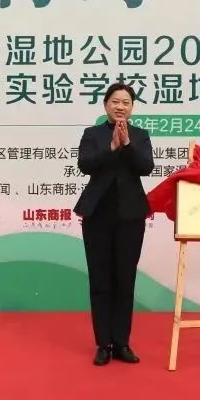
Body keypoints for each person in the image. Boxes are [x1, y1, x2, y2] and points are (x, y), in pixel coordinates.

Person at [74, 83, 154, 365]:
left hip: (130, 216)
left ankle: (121, 342)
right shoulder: (92, 134)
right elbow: (85, 164)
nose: (120, 106)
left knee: (125, 279)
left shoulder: (140, 136)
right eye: (115, 101)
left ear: (132, 108)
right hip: (97, 215)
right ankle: (103, 344)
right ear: (106, 104)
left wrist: (127, 144)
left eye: (126, 102)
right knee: (100, 279)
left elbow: (146, 167)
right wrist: (111, 147)